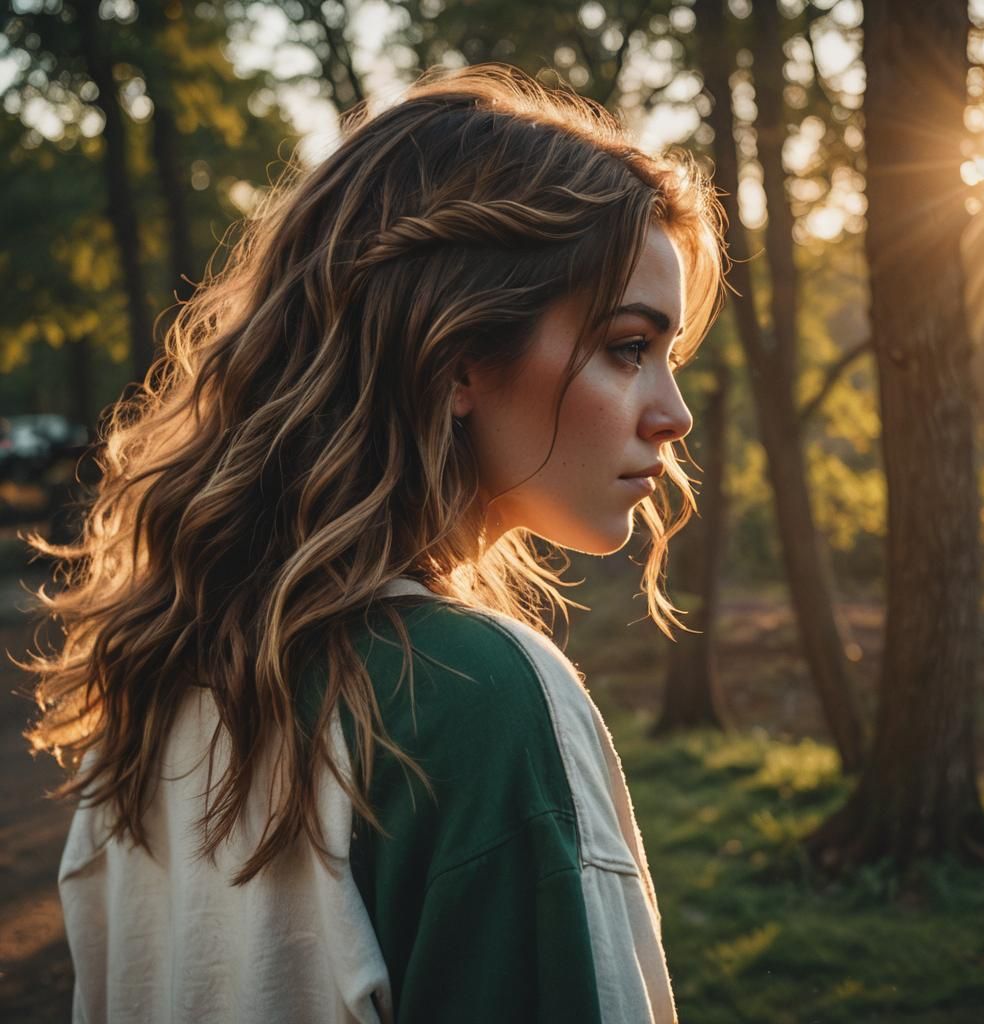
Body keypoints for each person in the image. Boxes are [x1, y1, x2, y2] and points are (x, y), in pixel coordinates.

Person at [22, 63, 725, 1023]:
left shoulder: (155, 674)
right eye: (628, 347)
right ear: (458, 355)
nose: (674, 417)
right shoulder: (476, 696)